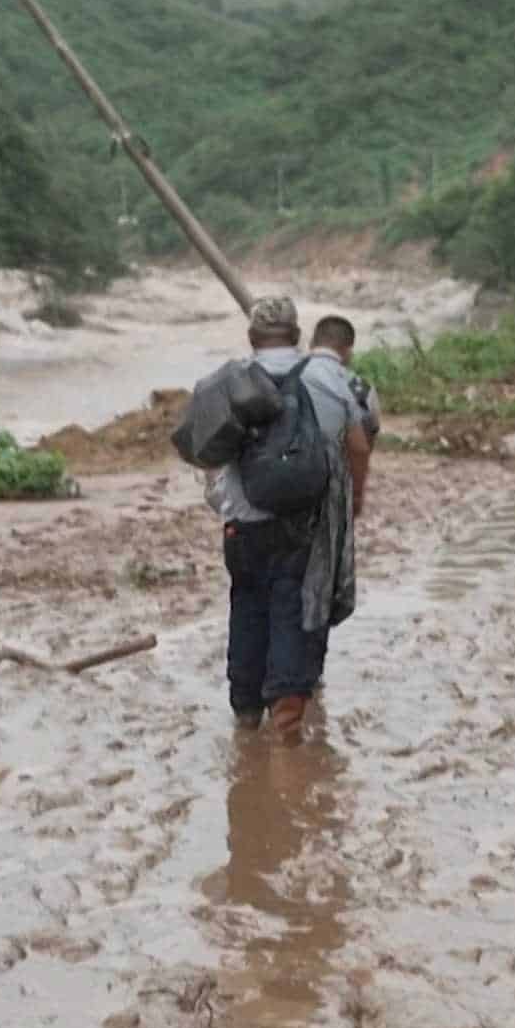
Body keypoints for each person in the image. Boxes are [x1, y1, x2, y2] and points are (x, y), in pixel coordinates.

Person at [206, 297, 372, 734]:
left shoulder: (231, 381)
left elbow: (205, 451)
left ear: (251, 337)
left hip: (242, 526)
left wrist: (222, 501)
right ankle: (285, 729)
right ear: (298, 336)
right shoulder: (326, 379)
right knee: (292, 613)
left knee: (246, 606)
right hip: (302, 527)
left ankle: (244, 715)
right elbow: (357, 444)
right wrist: (352, 502)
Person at [309, 314, 381, 442]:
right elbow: (371, 430)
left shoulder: (289, 375)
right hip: (340, 459)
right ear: (348, 350)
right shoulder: (359, 387)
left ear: (311, 344)